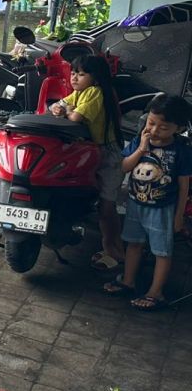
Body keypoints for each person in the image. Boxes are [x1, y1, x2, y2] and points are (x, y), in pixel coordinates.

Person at [103, 94, 192, 310]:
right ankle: (128, 280)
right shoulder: (139, 141)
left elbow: (183, 188)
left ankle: (156, 292)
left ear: (178, 129)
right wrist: (142, 148)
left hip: (163, 210)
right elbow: (124, 167)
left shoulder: (182, 152)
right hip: (136, 204)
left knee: (162, 251)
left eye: (163, 127)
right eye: (151, 123)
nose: (154, 131)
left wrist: (179, 216)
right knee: (134, 243)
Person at [48, 55, 124, 271]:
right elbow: (59, 105)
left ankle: (115, 252)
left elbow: (75, 118)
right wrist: (58, 108)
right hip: (95, 151)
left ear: (96, 77)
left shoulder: (95, 92)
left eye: (81, 74)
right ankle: (110, 247)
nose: (75, 78)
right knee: (101, 205)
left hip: (107, 154)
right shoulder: (80, 92)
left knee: (107, 207)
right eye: (73, 73)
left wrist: (65, 111)